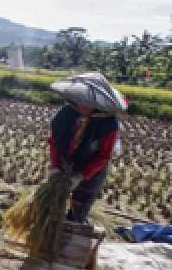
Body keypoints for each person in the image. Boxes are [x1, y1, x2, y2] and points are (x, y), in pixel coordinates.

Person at [47, 72, 127, 223]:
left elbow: (104, 155)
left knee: (79, 207)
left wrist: (81, 176)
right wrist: (55, 167)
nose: (83, 106)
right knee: (52, 201)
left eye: (88, 102)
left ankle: (71, 234)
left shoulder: (109, 124)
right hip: (67, 160)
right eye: (80, 100)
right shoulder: (65, 114)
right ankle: (49, 232)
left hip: (93, 167)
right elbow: (54, 141)